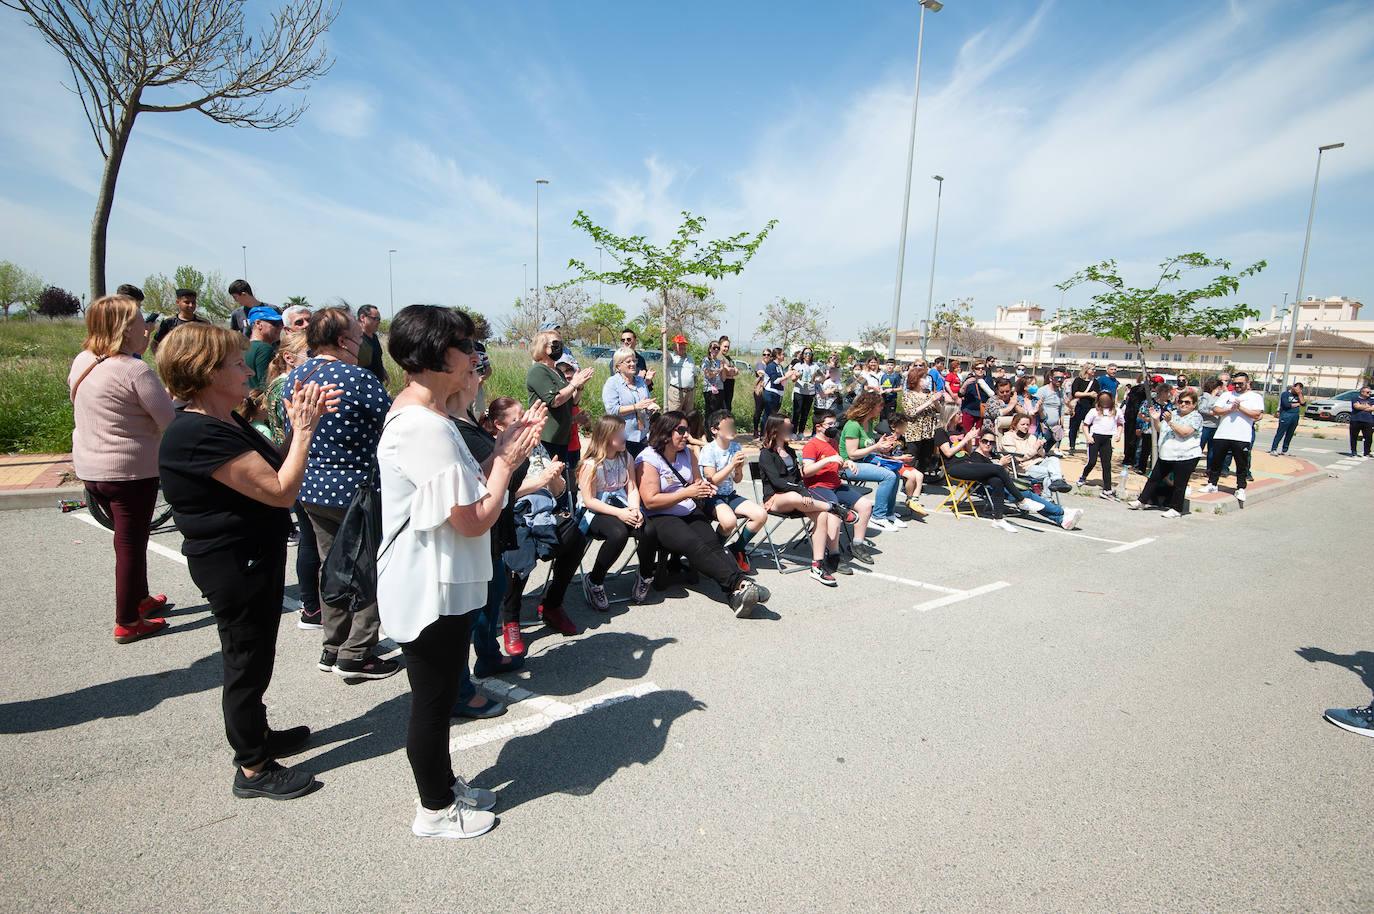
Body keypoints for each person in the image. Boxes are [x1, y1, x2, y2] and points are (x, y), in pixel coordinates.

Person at [376, 305, 544, 838]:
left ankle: (445, 788)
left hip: (440, 580)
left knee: (442, 690)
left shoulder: (432, 416)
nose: (476, 357)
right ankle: (433, 810)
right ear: (434, 354)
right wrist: (505, 462)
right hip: (426, 585)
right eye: (466, 348)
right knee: (432, 702)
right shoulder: (423, 426)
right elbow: (472, 521)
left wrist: (497, 452)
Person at [157, 321, 337, 799]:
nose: (247, 368)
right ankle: (253, 766)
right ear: (206, 371)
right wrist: (303, 432)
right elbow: (280, 492)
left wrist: (303, 428)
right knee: (244, 659)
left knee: (258, 653)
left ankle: (258, 735)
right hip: (233, 564)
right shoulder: (196, 433)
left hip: (254, 556)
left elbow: (270, 467)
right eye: (236, 363)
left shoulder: (224, 419)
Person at [285, 307, 397, 680]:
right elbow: (393, 422)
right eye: (357, 336)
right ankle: (357, 651)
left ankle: (333, 643)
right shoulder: (358, 378)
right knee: (365, 566)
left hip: (310, 487)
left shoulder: (298, 375)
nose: (362, 342)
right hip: (355, 490)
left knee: (329, 564)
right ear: (342, 340)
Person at [69, 293, 177, 644]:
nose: (146, 329)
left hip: (91, 466)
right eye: (138, 323)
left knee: (132, 539)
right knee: (130, 544)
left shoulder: (83, 360)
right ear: (123, 329)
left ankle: (140, 599)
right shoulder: (134, 369)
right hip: (129, 470)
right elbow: (168, 420)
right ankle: (127, 620)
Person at [635, 411, 767, 616]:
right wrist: (687, 492)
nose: (686, 435)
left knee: (712, 544)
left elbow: (696, 482)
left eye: (687, 430)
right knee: (694, 545)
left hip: (688, 509)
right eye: (681, 430)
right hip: (662, 516)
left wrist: (704, 487)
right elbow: (650, 501)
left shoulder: (687, 453)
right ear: (666, 432)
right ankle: (740, 583)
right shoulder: (648, 458)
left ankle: (736, 595)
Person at [262, 332, 322, 628]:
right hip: (289, 462)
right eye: (309, 352)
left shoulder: (289, 383)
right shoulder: (285, 386)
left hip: (293, 461)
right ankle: (311, 606)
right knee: (310, 539)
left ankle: (313, 603)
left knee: (310, 537)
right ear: (289, 357)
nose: (315, 357)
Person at [934, 416, 1081, 532]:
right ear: (980, 442)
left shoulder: (989, 454)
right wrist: (999, 464)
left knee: (1022, 489)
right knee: (1025, 494)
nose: (988, 445)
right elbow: (978, 471)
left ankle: (1060, 518)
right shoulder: (975, 458)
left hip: (999, 484)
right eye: (984, 441)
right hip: (985, 487)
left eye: (991, 443)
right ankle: (1056, 510)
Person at [756, 415, 845, 586]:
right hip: (775, 500)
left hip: (796, 499)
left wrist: (803, 487)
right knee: (796, 497)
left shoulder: (790, 451)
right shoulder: (765, 454)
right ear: (776, 430)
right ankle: (832, 507)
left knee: (822, 515)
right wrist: (800, 489)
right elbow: (778, 483)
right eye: (788, 428)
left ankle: (817, 566)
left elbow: (797, 479)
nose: (792, 430)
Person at [577, 414, 648, 610]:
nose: (625, 436)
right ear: (607, 437)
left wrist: (635, 509)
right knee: (618, 534)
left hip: (622, 505)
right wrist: (620, 514)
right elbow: (589, 501)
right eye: (620, 433)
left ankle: (645, 575)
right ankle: (595, 581)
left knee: (648, 529)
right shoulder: (590, 464)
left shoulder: (626, 457)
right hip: (596, 510)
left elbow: (632, 488)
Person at [801, 410, 876, 570]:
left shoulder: (833, 442)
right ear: (818, 427)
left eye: (834, 423)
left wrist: (846, 463)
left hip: (836, 485)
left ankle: (857, 544)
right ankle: (834, 554)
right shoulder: (811, 445)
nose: (833, 426)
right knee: (835, 516)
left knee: (865, 505)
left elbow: (836, 463)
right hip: (818, 487)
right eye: (829, 424)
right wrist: (828, 459)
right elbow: (806, 471)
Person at [697, 409, 766, 571]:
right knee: (729, 522)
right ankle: (714, 553)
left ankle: (737, 548)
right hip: (711, 495)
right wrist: (731, 465)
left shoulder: (735, 447)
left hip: (729, 494)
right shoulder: (709, 449)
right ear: (714, 430)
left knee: (760, 514)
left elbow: (738, 479)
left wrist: (739, 469)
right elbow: (712, 479)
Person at [1128, 388, 1203, 517]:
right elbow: (1160, 429)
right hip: (1167, 453)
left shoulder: (1196, 417)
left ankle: (1176, 509)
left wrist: (1170, 422)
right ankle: (1142, 501)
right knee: (1154, 478)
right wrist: (1156, 419)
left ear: (1194, 404)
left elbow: (1184, 433)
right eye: (1181, 402)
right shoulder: (1173, 413)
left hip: (1186, 455)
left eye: (1187, 402)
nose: (1183, 405)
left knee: (1180, 483)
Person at [525, 327, 595, 463]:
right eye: (555, 344)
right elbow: (555, 400)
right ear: (543, 347)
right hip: (546, 438)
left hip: (562, 438)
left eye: (561, 344)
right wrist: (574, 383)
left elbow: (570, 401)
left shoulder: (558, 371)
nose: (560, 348)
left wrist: (579, 387)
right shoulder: (538, 370)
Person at [838, 392, 904, 531]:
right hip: (849, 466)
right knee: (888, 476)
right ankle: (877, 517)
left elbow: (868, 448)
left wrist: (883, 446)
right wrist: (876, 447)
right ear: (870, 407)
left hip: (864, 461)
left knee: (895, 472)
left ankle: (889, 513)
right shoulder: (853, 425)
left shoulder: (867, 422)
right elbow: (852, 454)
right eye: (879, 406)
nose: (881, 409)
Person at [1202, 370, 1263, 502]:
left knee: (1241, 464)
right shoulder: (1226, 395)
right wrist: (1230, 410)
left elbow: (1257, 415)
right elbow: (1216, 409)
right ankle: (1212, 484)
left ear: (1248, 383)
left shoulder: (1255, 397)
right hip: (1222, 434)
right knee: (1216, 461)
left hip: (1242, 436)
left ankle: (1240, 488)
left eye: (1240, 383)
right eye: (1234, 383)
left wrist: (1239, 408)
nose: (1237, 386)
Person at [602, 345, 658, 457]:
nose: (633, 364)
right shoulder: (612, 383)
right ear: (618, 365)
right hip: (622, 438)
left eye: (634, 360)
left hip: (642, 437)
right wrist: (636, 407)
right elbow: (612, 410)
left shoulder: (641, 382)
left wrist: (650, 408)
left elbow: (644, 404)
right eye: (628, 361)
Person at [999, 416, 1073, 493]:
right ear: (1015, 425)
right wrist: (1034, 449)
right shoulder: (1007, 438)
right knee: (1050, 473)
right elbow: (1017, 457)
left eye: (1027, 424)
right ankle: (1048, 497)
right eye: (1023, 424)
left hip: (1038, 462)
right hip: (1024, 467)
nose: (1025, 427)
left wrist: (1040, 447)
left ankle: (1058, 481)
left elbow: (1042, 454)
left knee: (1054, 459)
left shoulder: (1031, 437)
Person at [878, 414, 928, 516]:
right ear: (893, 427)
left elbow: (901, 452)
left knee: (920, 475)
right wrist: (900, 458)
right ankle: (909, 499)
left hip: (900, 463)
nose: (905, 428)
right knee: (911, 476)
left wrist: (905, 457)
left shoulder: (902, 438)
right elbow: (884, 457)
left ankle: (915, 499)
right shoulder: (888, 438)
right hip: (890, 463)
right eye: (903, 426)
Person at [899, 364, 943, 475]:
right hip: (914, 432)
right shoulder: (908, 395)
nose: (926, 380)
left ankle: (920, 483)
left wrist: (936, 401)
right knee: (911, 459)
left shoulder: (929, 393)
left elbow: (940, 410)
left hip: (928, 432)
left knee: (925, 460)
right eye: (923, 378)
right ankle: (907, 484)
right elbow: (911, 412)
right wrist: (929, 402)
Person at [1077, 391, 1122, 498]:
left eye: (1107, 400)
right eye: (1103, 400)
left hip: (1107, 439)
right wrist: (1088, 436)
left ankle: (1107, 489)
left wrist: (1118, 434)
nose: (1105, 402)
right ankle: (1083, 476)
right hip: (1095, 438)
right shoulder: (1094, 411)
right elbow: (1085, 425)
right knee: (1092, 461)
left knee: (1107, 464)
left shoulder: (1117, 411)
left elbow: (1120, 424)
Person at [150, 288, 206, 353]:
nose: (191, 305)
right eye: (187, 302)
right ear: (178, 302)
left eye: (193, 302)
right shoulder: (169, 322)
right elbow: (155, 343)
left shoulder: (203, 324)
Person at [245, 307, 284, 391]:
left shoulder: (242, 347)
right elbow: (266, 386)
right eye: (275, 324)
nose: (280, 327)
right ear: (258, 324)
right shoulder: (264, 349)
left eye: (281, 323)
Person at [1067, 363, 1100, 454]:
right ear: (1086, 370)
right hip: (1078, 406)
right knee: (1074, 427)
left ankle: (1091, 446)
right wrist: (1089, 394)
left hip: (1090, 407)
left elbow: (1097, 393)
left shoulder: (1095, 382)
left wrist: (1095, 396)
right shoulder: (1078, 380)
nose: (1094, 371)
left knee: (1090, 428)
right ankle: (1072, 446)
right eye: (1092, 369)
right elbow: (1075, 393)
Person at [1034, 369, 1069, 452]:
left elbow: (1062, 406)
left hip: (1055, 428)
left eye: (1062, 378)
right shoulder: (1042, 391)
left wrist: (1062, 418)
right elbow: (1036, 407)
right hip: (1044, 427)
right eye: (1057, 378)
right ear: (1051, 378)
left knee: (1046, 451)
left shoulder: (1061, 392)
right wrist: (1041, 424)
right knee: (1039, 450)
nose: (1059, 380)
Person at [356, 304, 390, 385]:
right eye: (375, 319)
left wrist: (383, 371)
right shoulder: (357, 339)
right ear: (363, 317)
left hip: (377, 383)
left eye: (379, 319)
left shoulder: (374, 337)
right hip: (363, 384)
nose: (378, 322)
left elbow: (377, 358)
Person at [792, 348, 822, 436]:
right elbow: (793, 379)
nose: (808, 355)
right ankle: (793, 432)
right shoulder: (798, 365)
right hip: (799, 391)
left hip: (810, 392)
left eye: (810, 353)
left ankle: (801, 432)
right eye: (806, 353)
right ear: (803, 355)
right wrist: (797, 376)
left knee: (805, 413)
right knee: (797, 412)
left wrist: (817, 379)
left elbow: (821, 377)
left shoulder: (815, 366)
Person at [1268, 382, 1304, 456]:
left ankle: (1285, 450)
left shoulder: (1299, 395)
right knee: (1280, 432)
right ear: (1293, 387)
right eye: (1297, 388)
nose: (1298, 390)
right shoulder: (1285, 394)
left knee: (1290, 433)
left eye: (1300, 389)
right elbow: (1286, 405)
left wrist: (1300, 394)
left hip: (1295, 415)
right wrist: (1297, 404)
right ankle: (1273, 449)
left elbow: (1303, 403)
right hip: (1286, 415)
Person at [664, 334, 697, 413]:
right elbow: (664, 350)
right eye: (680, 344)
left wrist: (694, 386)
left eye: (684, 345)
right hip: (676, 393)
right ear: (674, 346)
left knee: (689, 416)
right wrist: (663, 336)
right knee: (674, 416)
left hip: (689, 393)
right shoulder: (671, 357)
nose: (683, 347)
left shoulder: (690, 358)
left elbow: (695, 375)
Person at [1197, 377, 1223, 458]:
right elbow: (1201, 408)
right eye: (1220, 388)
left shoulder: (1220, 398)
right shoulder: (1205, 396)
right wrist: (1213, 413)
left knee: (1212, 449)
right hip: (1205, 426)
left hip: (1215, 426)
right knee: (1199, 447)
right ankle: (1192, 466)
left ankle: (1210, 469)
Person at [1348, 385, 1374, 458]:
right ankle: (1354, 452)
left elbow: (1372, 408)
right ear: (1362, 392)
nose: (1369, 393)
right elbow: (1356, 406)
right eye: (1368, 392)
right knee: (1354, 437)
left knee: (1369, 437)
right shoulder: (1355, 399)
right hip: (1356, 420)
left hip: (1368, 421)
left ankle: (1367, 452)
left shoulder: (1371, 400)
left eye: (1370, 392)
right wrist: (1367, 407)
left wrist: (1361, 407)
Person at [701, 340, 724, 417]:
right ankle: (708, 428)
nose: (716, 350)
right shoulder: (706, 360)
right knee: (710, 412)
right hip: (710, 390)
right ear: (710, 349)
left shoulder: (719, 361)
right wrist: (720, 369)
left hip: (719, 389)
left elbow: (723, 378)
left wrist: (723, 368)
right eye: (714, 348)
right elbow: (708, 375)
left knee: (718, 413)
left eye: (718, 348)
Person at [718, 336, 738, 411]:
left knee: (728, 406)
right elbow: (728, 371)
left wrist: (730, 370)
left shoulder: (728, 358)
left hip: (730, 383)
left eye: (728, 347)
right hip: (723, 383)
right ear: (720, 345)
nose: (726, 349)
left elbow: (736, 371)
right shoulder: (719, 356)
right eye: (725, 346)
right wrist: (731, 371)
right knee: (724, 407)